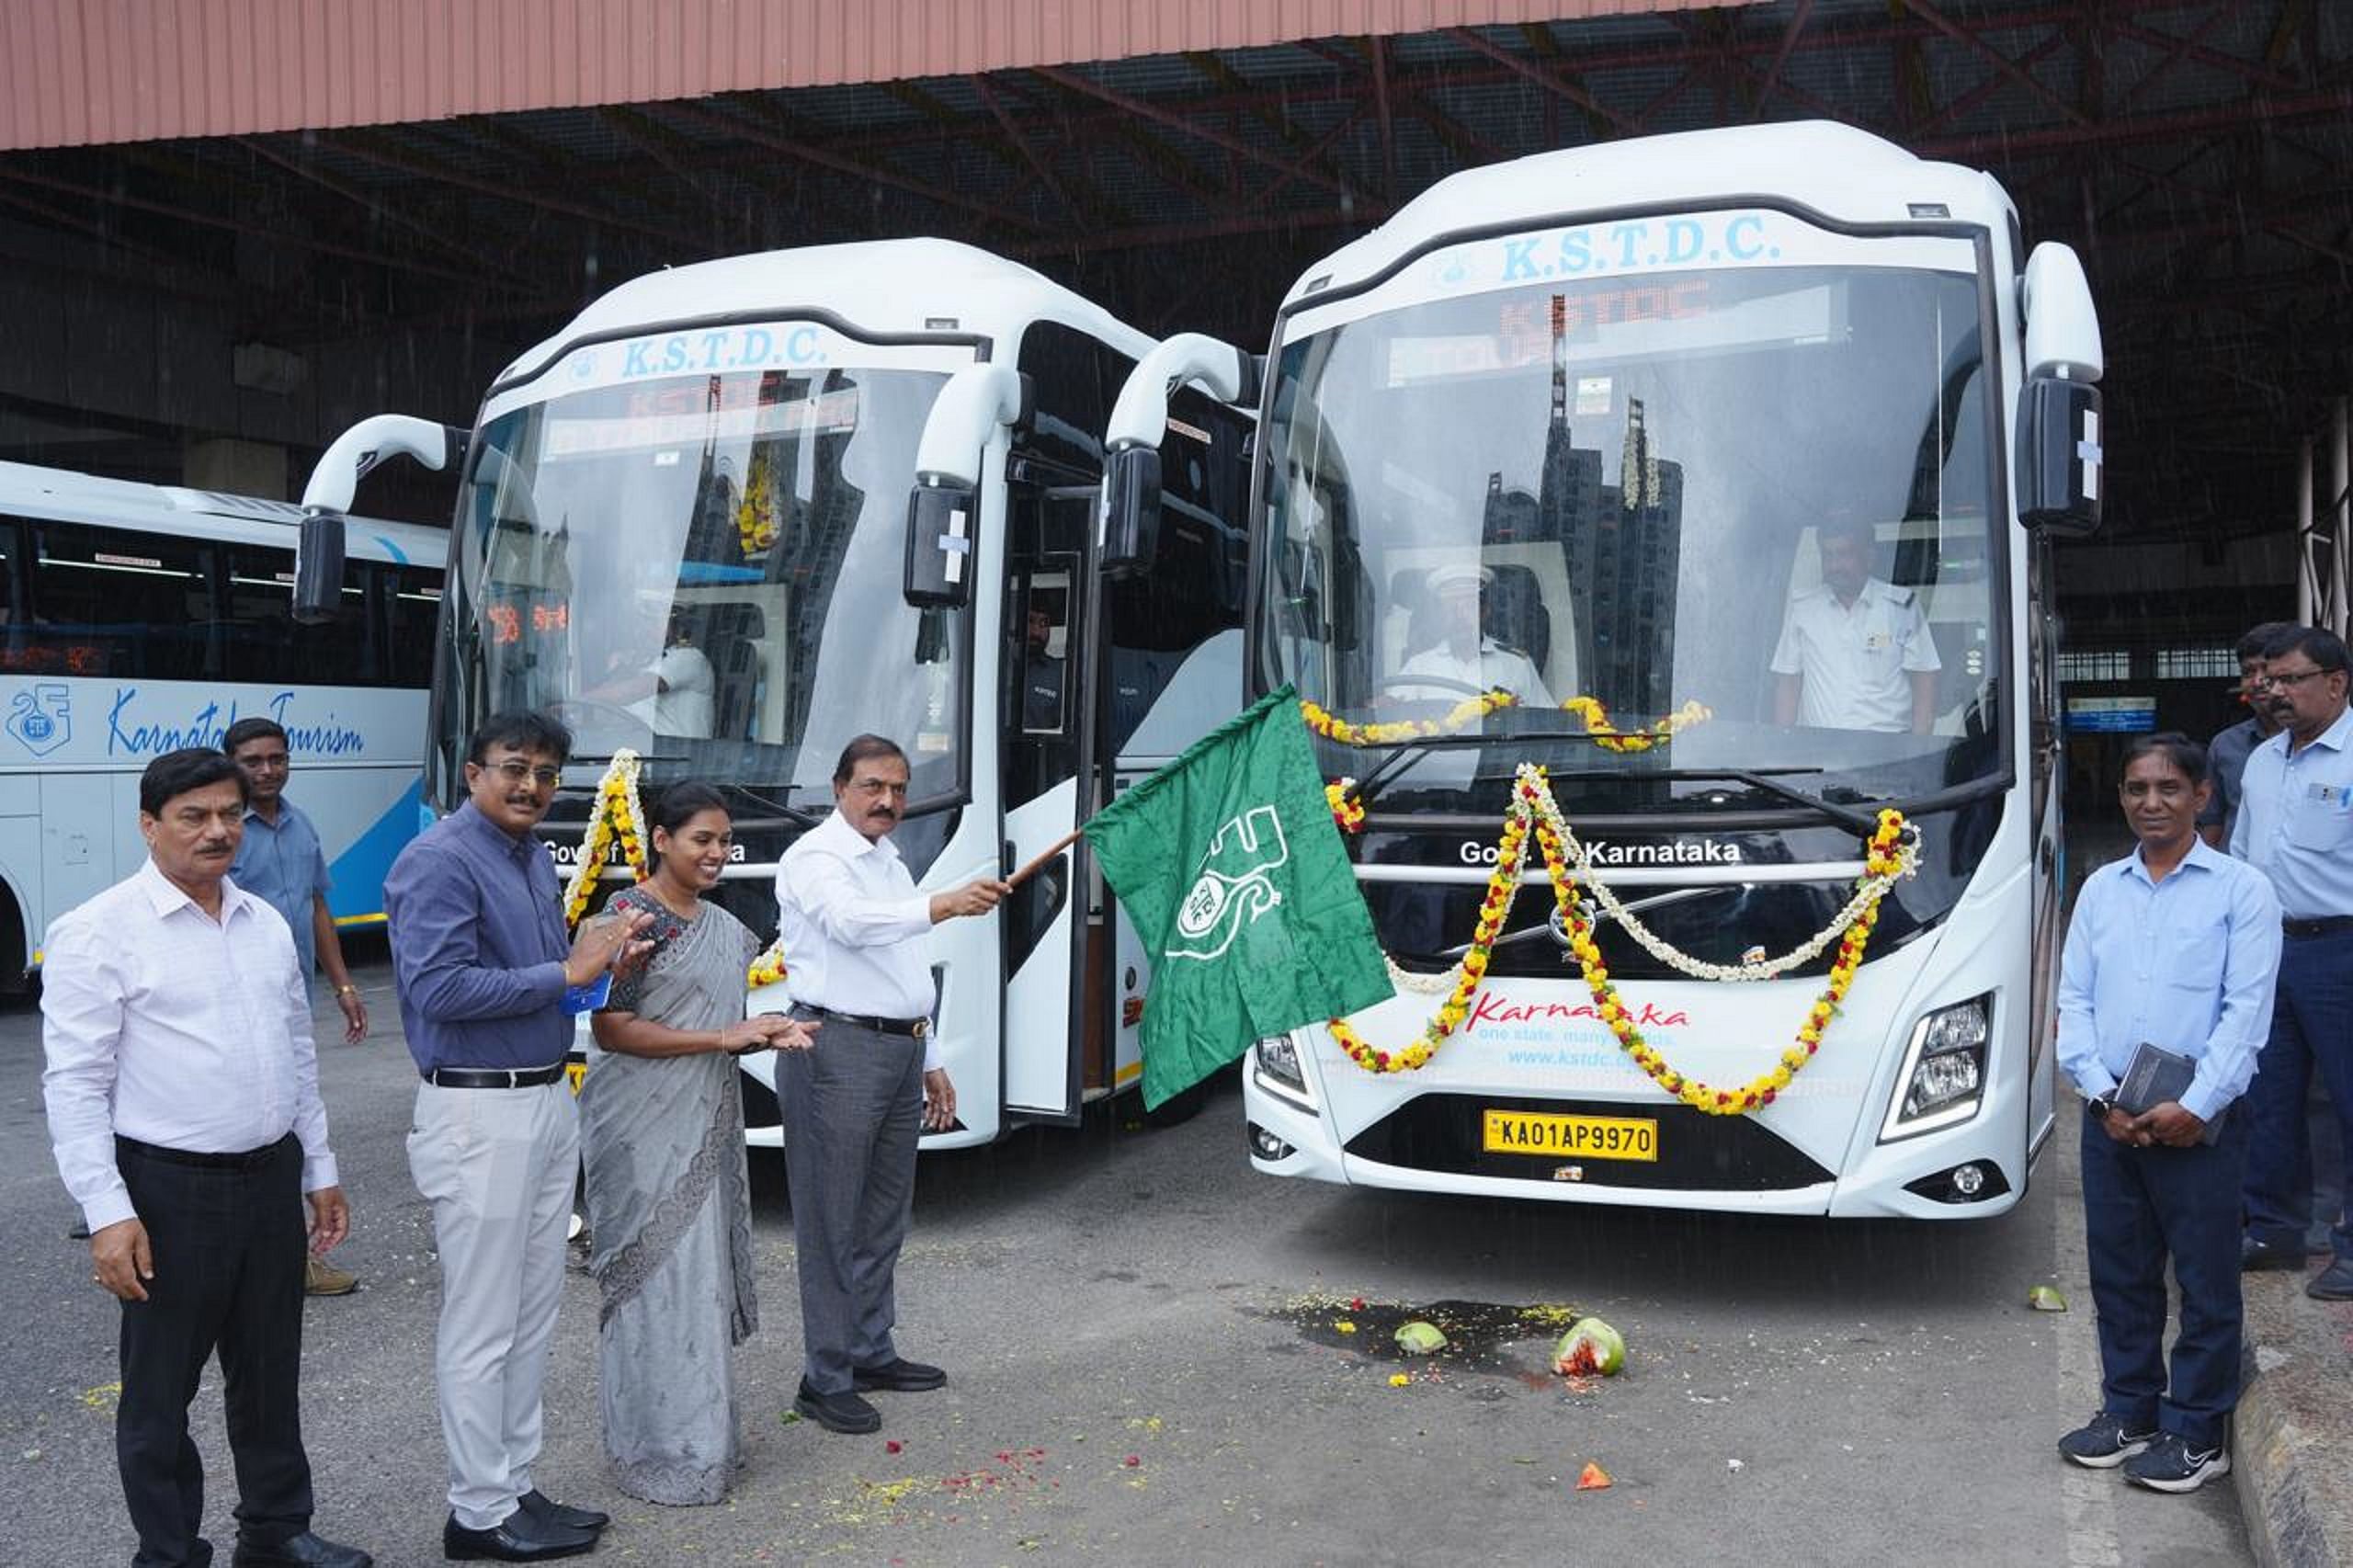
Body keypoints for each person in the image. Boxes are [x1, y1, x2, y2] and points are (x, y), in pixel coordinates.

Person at [41, 747, 372, 1568]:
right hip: (165, 1192)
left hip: (267, 1179)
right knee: (160, 1393)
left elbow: (297, 1054)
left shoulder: (263, 924)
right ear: (150, 826)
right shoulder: (95, 933)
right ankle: (170, 1551)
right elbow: (76, 1087)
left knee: (268, 1374)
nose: (218, 830)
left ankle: (275, 1530)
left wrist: (318, 1167)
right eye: (194, 816)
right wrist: (110, 1213)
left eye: (229, 813)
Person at [385, 710, 653, 1562]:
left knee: (531, 1316)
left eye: (544, 772)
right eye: (513, 768)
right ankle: (476, 1512)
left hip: (540, 1101)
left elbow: (547, 993)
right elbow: (440, 990)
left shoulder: (533, 857)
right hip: (476, 1112)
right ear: (472, 774)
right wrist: (567, 969)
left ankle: (511, 1485)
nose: (531, 786)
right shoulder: (436, 861)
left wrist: (602, 970)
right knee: (482, 1322)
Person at [2054, 733, 2279, 1494]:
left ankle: (2196, 1430)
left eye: (2169, 789)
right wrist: (2099, 1092)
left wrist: (2196, 1106)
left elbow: (2246, 1015)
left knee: (2206, 1279)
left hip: (2200, 1121)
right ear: (2121, 796)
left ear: (2202, 796)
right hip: (2111, 1113)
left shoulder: (2241, 891)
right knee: (2120, 1274)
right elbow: (2073, 1000)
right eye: (2136, 789)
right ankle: (2130, 1411)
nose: (2151, 803)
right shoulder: (2100, 888)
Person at [584, 782, 814, 1504]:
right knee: (654, 1278)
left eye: (724, 841)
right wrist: (724, 1037)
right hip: (638, 1125)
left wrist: (765, 1030)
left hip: (703, 1117)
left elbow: (727, 1021)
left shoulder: (722, 924)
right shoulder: (625, 920)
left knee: (698, 1279)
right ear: (661, 840)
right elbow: (610, 1029)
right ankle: (653, 1452)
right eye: (701, 840)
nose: (717, 853)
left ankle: (703, 1443)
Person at [772, 735, 1010, 1435]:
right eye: (873, 786)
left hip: (897, 1052)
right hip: (834, 1048)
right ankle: (825, 1377)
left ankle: (870, 1351)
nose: (888, 801)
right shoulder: (816, 858)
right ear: (840, 787)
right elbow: (850, 926)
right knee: (831, 1221)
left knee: (882, 1216)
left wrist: (930, 1055)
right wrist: (942, 904)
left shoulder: (887, 858)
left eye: (899, 789)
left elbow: (905, 968)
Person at [223, 715, 369, 1300]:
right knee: (251, 1129)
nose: (266, 770)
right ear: (231, 763)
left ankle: (289, 1260)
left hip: (289, 1002)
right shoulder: (226, 829)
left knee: (287, 1121)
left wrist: (343, 987)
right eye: (253, 761)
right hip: (236, 1007)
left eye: (276, 759)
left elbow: (316, 909)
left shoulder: (300, 825)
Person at [2228, 624, 2353, 1301]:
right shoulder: (2263, 761)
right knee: (2268, 1098)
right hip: (2269, 952)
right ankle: (2275, 1230)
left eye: (2292, 681)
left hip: (2342, 949)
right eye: (2270, 682)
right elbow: (2244, 865)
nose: (2275, 694)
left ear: (2335, 683)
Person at [1769, 512, 1941, 733]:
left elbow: (1925, 678)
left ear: (1869, 557)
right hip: (1818, 753)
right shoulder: (1803, 609)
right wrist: (1783, 747)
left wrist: (1918, 750)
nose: (1834, 565)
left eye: (1843, 555)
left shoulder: (1901, 608)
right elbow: (1788, 683)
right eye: (1828, 556)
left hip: (1886, 750)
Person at [1392, 562, 1554, 706]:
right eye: (1451, 607)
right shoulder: (1418, 668)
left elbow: (1546, 724)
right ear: (1440, 616)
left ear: (1485, 610)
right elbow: (1391, 722)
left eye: (1469, 605)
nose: (1459, 615)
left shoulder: (1516, 665)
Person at [2197, 621, 2293, 847]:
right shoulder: (2225, 745)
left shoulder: (2337, 743)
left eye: (2267, 669)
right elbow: (2212, 823)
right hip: (2237, 879)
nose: (2258, 681)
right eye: (2248, 672)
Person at [1020, 604, 1067, 731]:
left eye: (1043, 623)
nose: (1036, 631)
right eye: (1030, 621)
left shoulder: (1060, 674)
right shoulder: (993, 666)